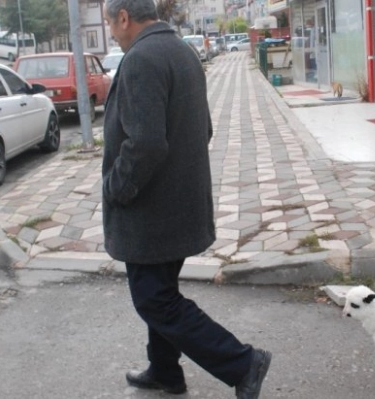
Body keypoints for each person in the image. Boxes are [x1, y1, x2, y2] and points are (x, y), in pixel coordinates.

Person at [100, 1, 272, 398]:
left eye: (111, 23)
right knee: (161, 292)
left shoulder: (142, 58)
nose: (111, 32)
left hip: (151, 210)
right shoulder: (181, 50)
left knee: (155, 300)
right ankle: (165, 371)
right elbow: (204, 128)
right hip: (180, 203)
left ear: (124, 17)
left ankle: (243, 363)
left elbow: (144, 143)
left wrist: (116, 187)